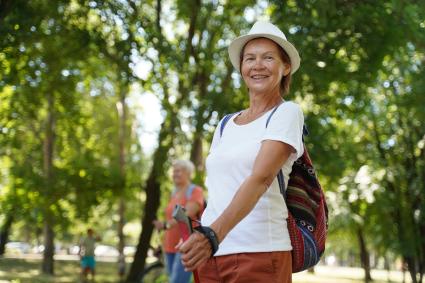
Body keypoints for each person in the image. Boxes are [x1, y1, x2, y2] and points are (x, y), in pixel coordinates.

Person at [178, 21, 304, 282]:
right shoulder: (225, 124)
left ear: (285, 67)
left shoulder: (286, 113)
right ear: (242, 68)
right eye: (250, 58)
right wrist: (202, 233)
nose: (258, 65)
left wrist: (212, 235)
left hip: (259, 252)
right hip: (211, 254)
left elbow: (261, 178)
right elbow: (219, 189)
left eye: (268, 58)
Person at [153, 159, 205, 283]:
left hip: (186, 244)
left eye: (178, 171)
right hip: (169, 245)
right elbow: (171, 218)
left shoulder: (195, 191)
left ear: (188, 172)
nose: (175, 174)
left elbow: (187, 213)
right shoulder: (174, 193)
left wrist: (166, 225)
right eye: (174, 171)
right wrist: (162, 226)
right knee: (173, 279)